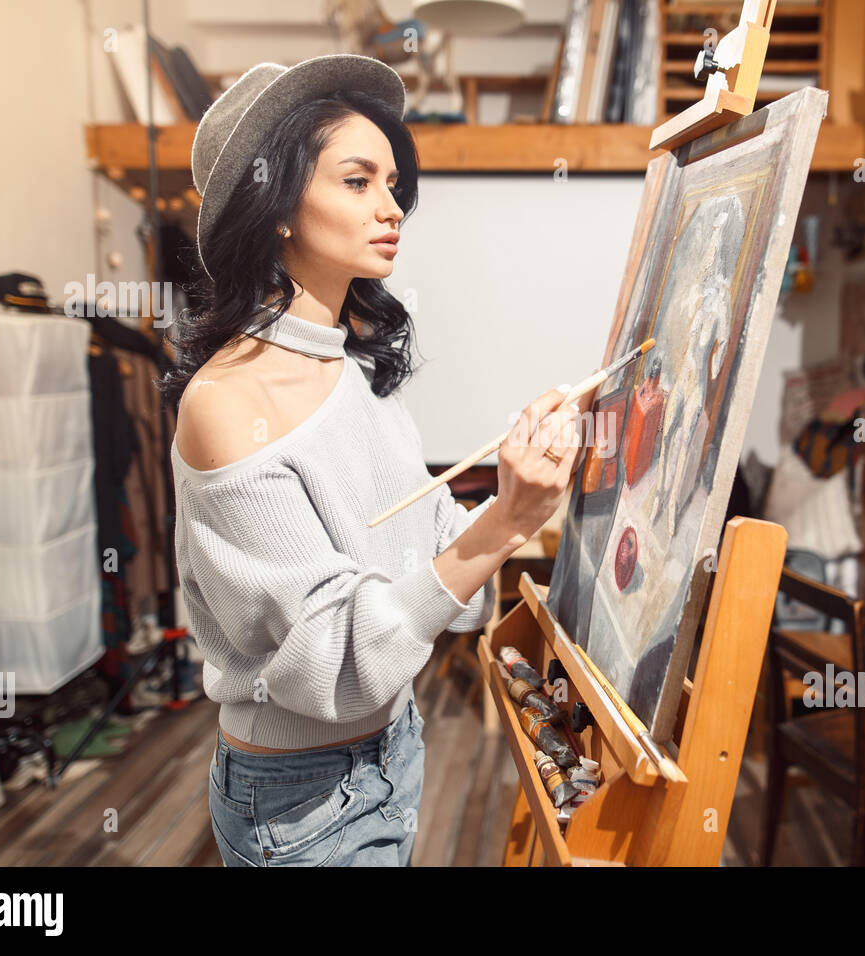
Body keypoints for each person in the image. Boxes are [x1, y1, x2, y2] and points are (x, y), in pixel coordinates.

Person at [157, 55, 587, 866]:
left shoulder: (352, 370)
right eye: (358, 182)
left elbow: (432, 572)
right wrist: (503, 524)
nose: (393, 208)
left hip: (392, 747)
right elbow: (337, 665)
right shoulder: (225, 406)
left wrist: (519, 481)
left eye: (393, 185)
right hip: (300, 796)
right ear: (276, 205)